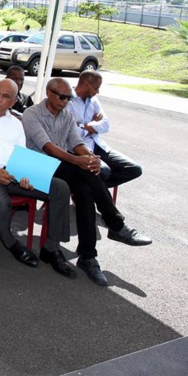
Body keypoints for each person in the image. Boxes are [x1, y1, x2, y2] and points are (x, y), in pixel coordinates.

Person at [22, 78, 152, 286]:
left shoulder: (66, 115)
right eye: (62, 97)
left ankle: (88, 256)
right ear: (48, 92)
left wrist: (90, 158)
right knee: (86, 174)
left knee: (85, 190)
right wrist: (78, 160)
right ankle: (115, 224)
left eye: (69, 98)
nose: (66, 102)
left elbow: (77, 142)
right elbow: (47, 146)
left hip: (61, 168)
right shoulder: (32, 114)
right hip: (35, 168)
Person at [0, 79, 75, 277]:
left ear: (13, 101)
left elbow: (20, 155)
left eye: (5, 97)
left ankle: (51, 248)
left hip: (10, 172)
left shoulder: (15, 124)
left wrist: (25, 175)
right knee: (0, 201)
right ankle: (12, 244)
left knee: (60, 188)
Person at [68, 70, 142, 188]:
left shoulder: (93, 100)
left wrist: (83, 125)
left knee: (134, 169)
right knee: (104, 171)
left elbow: (106, 124)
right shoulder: (68, 100)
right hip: (79, 148)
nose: (98, 91)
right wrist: (92, 125)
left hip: (98, 145)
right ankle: (90, 192)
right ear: (86, 83)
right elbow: (72, 133)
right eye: (96, 88)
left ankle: (90, 191)